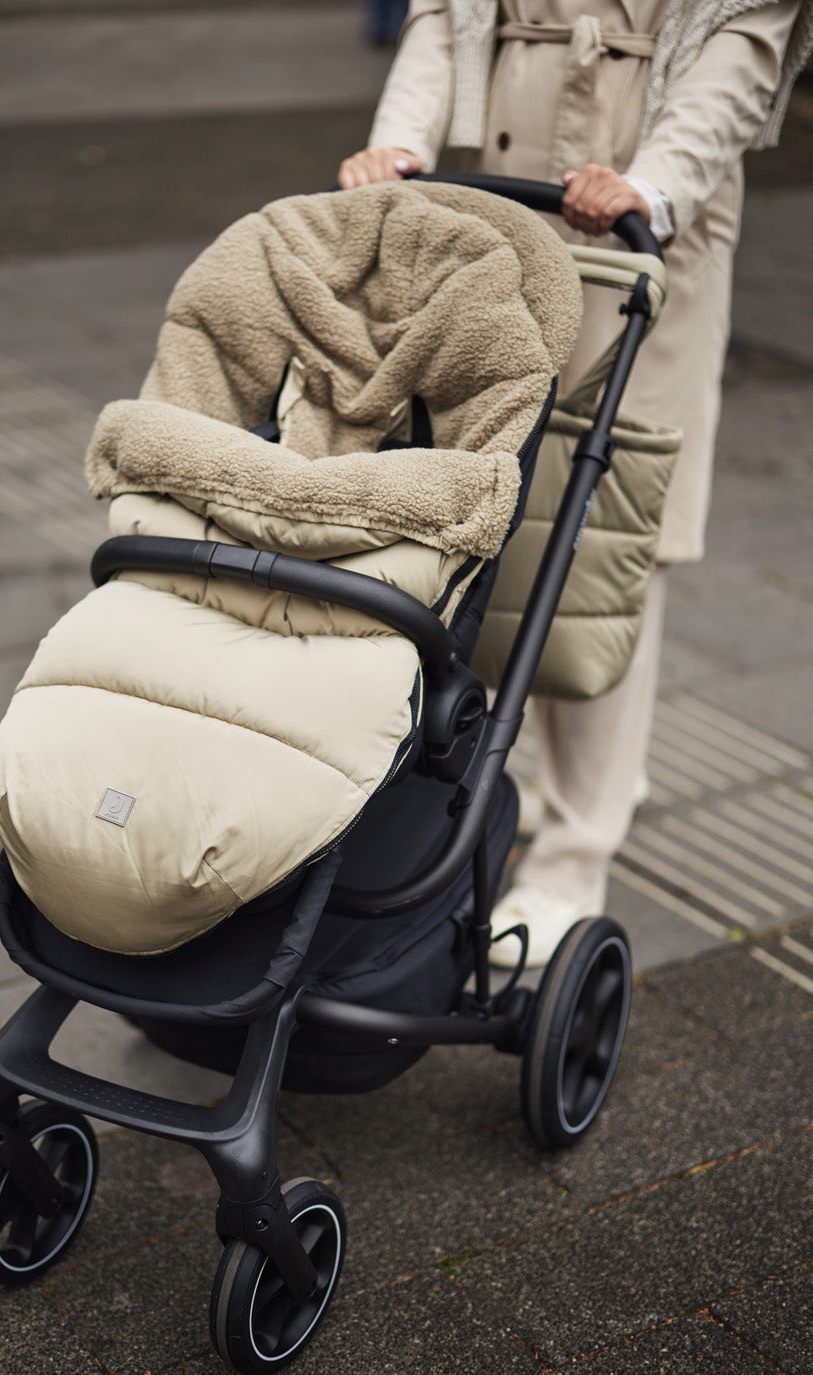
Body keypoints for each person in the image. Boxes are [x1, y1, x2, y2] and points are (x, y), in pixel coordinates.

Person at [340, 1, 813, 966]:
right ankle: (478, 794)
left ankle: (576, 848)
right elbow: (446, 15)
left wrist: (651, 183)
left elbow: (742, 46)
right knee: (476, 511)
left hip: (642, 220)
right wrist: (394, 146)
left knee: (601, 536)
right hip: (490, 204)